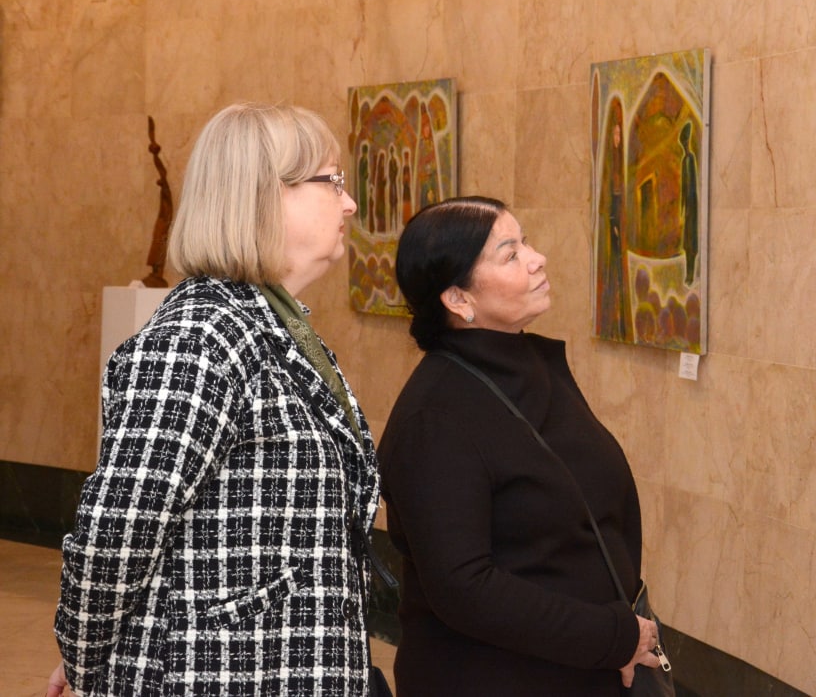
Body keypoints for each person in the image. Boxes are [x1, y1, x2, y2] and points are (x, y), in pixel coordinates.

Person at [48, 103, 382, 696]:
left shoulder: (272, 324)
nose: (350, 203)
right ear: (264, 195)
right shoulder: (198, 338)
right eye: (332, 181)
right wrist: (86, 658)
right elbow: (119, 530)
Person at [379, 196, 661, 696]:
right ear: (458, 299)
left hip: (583, 668)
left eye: (525, 242)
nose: (537, 259)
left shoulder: (530, 368)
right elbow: (464, 588)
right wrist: (611, 637)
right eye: (510, 254)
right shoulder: (434, 418)